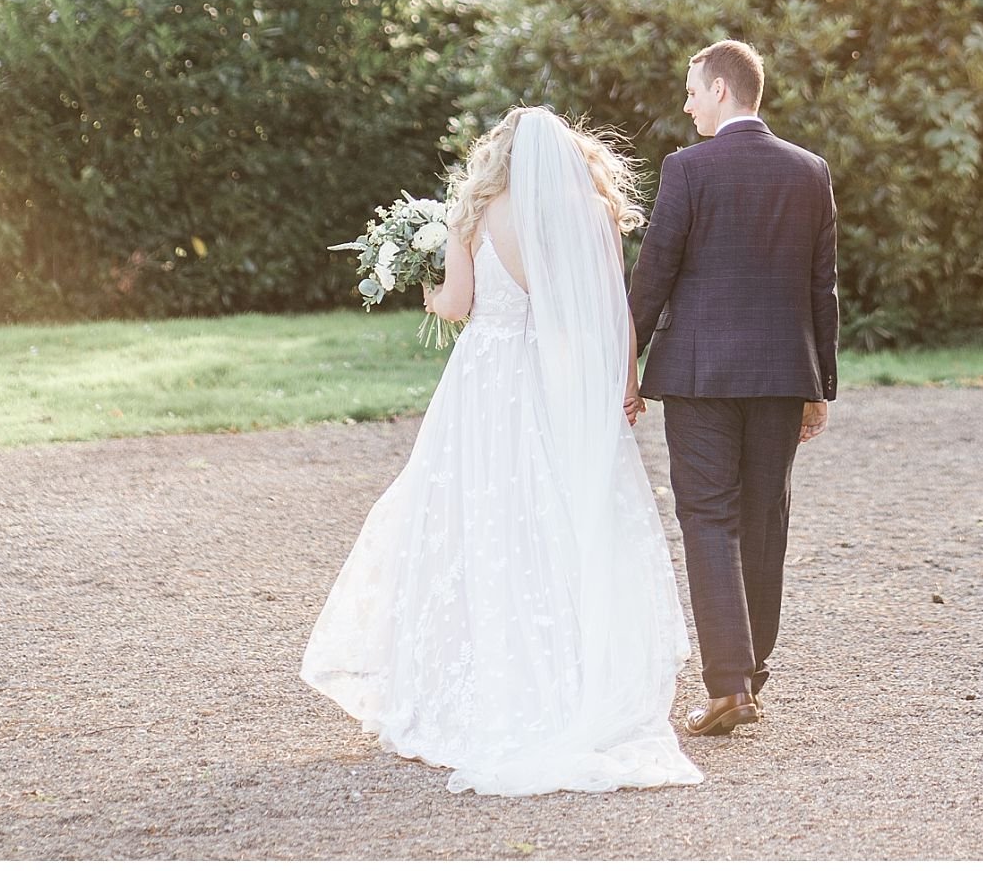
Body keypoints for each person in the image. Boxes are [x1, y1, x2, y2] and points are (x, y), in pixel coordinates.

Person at [300, 106, 702, 797]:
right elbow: (613, 310)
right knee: (562, 519)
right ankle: (576, 673)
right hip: (559, 383)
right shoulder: (594, 213)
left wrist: (428, 288)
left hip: (487, 386)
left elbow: (457, 306)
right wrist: (623, 385)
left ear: (502, 156)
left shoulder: (473, 214)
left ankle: (482, 674)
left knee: (478, 519)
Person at [628, 40, 838, 737]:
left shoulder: (687, 170)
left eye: (692, 90)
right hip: (782, 375)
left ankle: (729, 686)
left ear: (722, 89)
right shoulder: (810, 171)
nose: (686, 104)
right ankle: (750, 674)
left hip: (699, 376)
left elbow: (654, 274)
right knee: (764, 519)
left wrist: (622, 362)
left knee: (709, 518)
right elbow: (821, 288)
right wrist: (820, 385)